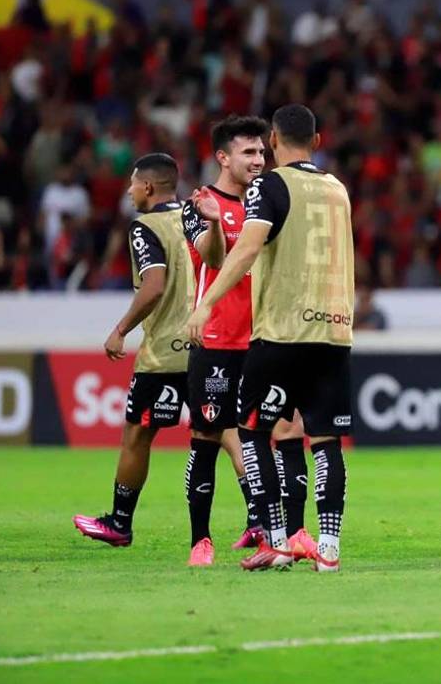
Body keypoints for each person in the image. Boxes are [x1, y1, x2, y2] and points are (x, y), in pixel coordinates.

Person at [187, 104, 355, 573]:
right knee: (325, 441)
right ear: (317, 142)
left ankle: (279, 541)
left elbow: (246, 249)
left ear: (276, 141)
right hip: (334, 329)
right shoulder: (338, 189)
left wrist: (206, 302)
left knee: (253, 429)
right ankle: (330, 549)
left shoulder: (270, 185)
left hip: (283, 331)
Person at [73, 154, 196, 547]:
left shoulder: (145, 226)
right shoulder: (196, 217)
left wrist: (120, 329)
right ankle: (262, 521)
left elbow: (154, 285)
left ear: (147, 187)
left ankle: (120, 523)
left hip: (166, 352)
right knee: (225, 431)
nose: (128, 190)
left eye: (132, 183)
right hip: (209, 342)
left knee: (137, 433)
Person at [180, 115, 270, 566]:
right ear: (223, 157)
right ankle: (201, 540)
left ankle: (265, 528)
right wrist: (215, 223)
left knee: (261, 436)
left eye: (261, 151)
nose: (258, 159)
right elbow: (212, 258)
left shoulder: (268, 201)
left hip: (262, 339)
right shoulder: (199, 203)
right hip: (215, 339)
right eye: (248, 153)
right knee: (207, 437)